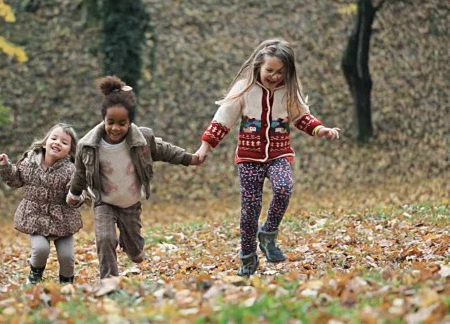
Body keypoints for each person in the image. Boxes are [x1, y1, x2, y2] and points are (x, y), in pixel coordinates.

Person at [195, 38, 340, 276]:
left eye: (280, 72)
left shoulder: (289, 91)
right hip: (249, 157)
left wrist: (320, 129)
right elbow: (222, 120)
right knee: (250, 210)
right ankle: (248, 257)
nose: (274, 76)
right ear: (259, 68)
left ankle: (269, 234)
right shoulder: (244, 89)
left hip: (279, 154)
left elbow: (302, 116)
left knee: (284, 188)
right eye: (269, 71)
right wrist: (204, 147)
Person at [66, 76, 204, 279]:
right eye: (110, 122)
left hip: (130, 203)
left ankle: (131, 244)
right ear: (103, 118)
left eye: (122, 123)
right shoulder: (88, 146)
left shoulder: (142, 140)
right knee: (104, 238)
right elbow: (80, 173)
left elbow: (164, 150)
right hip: (104, 201)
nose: (115, 128)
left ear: (130, 122)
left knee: (136, 254)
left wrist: (188, 158)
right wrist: (74, 193)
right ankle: (109, 280)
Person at [0, 123, 86, 284]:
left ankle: (66, 284)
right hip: (34, 216)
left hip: (63, 219)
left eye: (64, 142)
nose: (57, 143)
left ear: (70, 151)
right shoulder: (30, 161)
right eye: (54, 138)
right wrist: (5, 167)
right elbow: (16, 179)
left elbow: (76, 190)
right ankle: (35, 278)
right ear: (45, 141)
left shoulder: (71, 170)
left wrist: (75, 197)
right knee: (40, 249)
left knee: (67, 256)